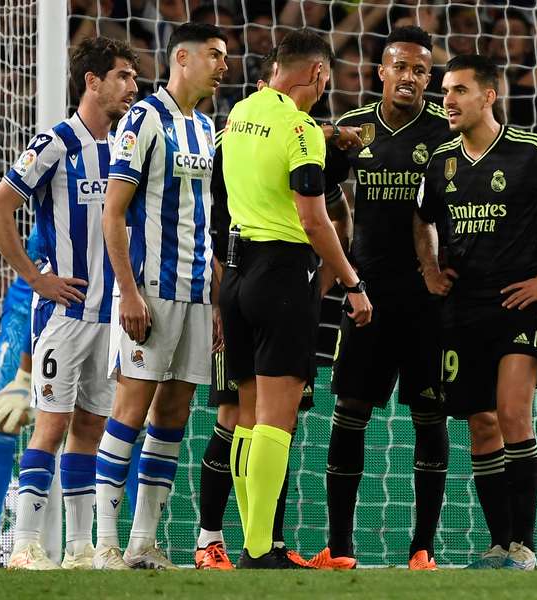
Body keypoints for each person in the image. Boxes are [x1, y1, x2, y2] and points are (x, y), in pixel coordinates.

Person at [414, 55, 537, 570]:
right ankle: (499, 544)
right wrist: (430, 269)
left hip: (518, 306)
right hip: (461, 310)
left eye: (458, 90)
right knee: (480, 424)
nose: (447, 100)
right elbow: (421, 218)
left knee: (513, 413)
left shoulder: (530, 151)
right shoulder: (441, 161)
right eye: (445, 91)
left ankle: (524, 546)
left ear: (489, 96)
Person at [195, 51, 360, 570]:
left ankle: (258, 543)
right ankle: (262, 548)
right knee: (276, 422)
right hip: (283, 274)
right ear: (316, 74)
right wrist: (352, 283)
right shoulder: (300, 128)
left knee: (246, 419)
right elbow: (315, 220)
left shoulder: (240, 115)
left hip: (237, 274)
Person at [0, 37, 140, 570]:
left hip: (107, 315)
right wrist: (35, 278)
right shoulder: (55, 142)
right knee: (50, 425)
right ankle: (24, 544)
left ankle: (77, 549)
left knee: (91, 429)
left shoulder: (124, 147)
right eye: (122, 76)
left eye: (133, 77)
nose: (132, 87)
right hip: (64, 314)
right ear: (92, 82)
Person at [308, 26, 454, 572]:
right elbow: (317, 188)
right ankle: (341, 549)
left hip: (427, 301)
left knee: (428, 415)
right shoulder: (351, 130)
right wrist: (342, 238)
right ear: (381, 72)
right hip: (365, 296)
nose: (411, 77)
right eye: (401, 67)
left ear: (429, 79)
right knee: (350, 411)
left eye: (421, 70)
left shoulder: (445, 131)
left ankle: (423, 549)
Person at [94, 22, 227, 570]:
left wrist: (217, 299)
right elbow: (113, 212)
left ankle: (142, 542)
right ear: (182, 57)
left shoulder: (204, 127)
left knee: (173, 415)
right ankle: (104, 544)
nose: (223, 66)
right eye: (215, 56)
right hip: (149, 291)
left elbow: (207, 220)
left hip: (195, 293)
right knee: (130, 409)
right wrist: (127, 292)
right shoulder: (145, 119)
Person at [0, 226, 44, 568]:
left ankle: (132, 541)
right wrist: (26, 371)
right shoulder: (42, 172)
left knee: (118, 422)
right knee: (5, 419)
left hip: (98, 305)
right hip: (28, 304)